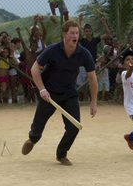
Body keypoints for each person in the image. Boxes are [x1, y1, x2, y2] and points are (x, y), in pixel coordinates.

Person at [21, 20, 98, 166]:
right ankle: (33, 139)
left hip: (69, 93)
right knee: (37, 127)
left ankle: (61, 154)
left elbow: (92, 78)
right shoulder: (53, 49)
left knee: (74, 126)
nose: (75, 36)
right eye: (72, 33)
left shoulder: (83, 53)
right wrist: (42, 89)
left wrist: (94, 102)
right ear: (64, 34)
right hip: (49, 94)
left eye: (77, 33)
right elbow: (34, 69)